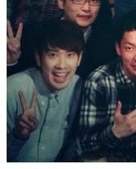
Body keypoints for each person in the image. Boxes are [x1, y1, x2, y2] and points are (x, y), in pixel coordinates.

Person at [78, 9, 136, 161]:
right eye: (130, 48)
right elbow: (86, 145)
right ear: (118, 48)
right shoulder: (99, 81)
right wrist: (115, 133)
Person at [7, 19, 84, 162]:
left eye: (70, 55)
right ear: (38, 58)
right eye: (53, 55)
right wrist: (18, 136)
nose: (62, 65)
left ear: (79, 59)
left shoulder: (79, 88)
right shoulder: (12, 89)